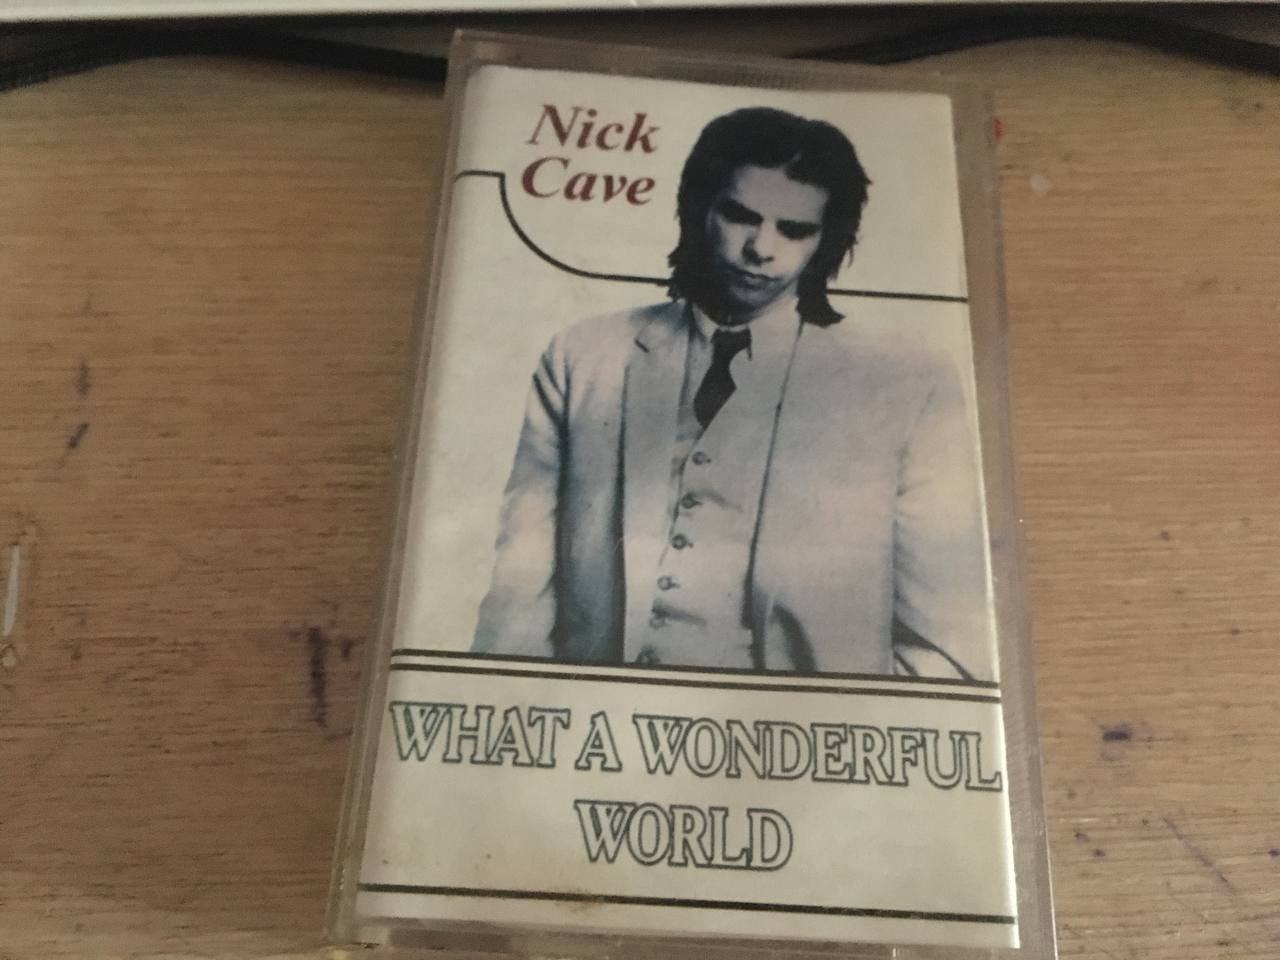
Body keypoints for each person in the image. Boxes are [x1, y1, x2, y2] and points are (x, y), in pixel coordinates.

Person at [472, 106, 992, 681]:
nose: (762, 248)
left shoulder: (908, 384)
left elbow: (946, 644)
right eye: (740, 216)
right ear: (699, 208)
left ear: (827, 240)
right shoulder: (584, 357)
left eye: (795, 229)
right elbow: (518, 599)